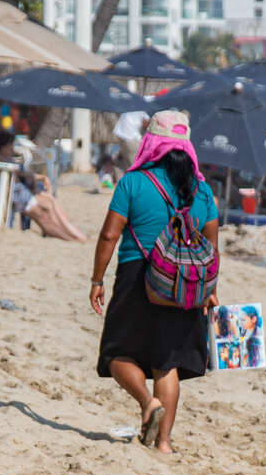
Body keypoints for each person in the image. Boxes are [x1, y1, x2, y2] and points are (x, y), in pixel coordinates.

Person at [90, 112, 219, 454]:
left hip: (137, 276)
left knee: (117, 353)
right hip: (186, 284)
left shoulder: (132, 183)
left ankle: (147, 402)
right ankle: (163, 443)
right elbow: (212, 246)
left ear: (150, 142)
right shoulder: (203, 191)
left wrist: (97, 279)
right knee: (168, 362)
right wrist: (211, 291)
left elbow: (109, 235)